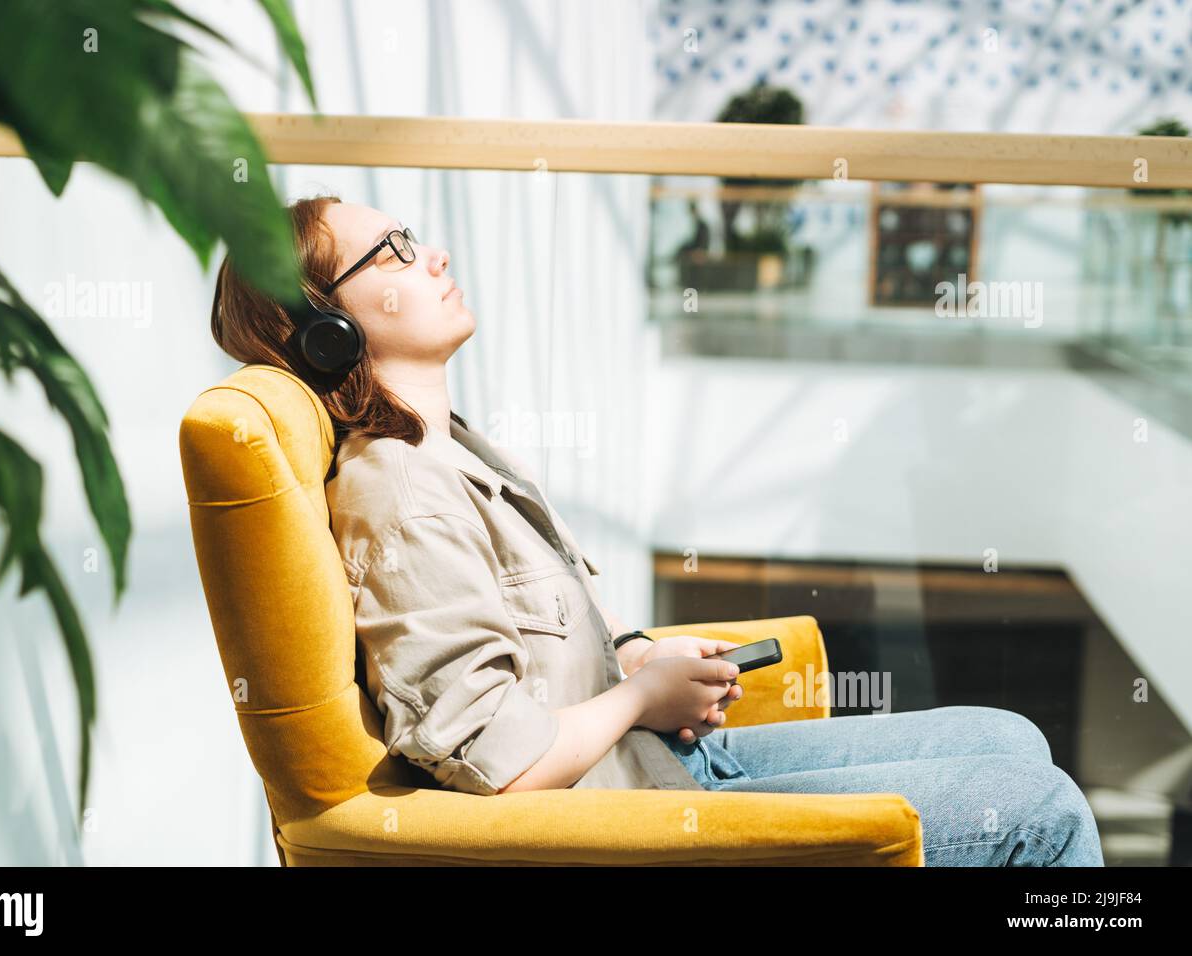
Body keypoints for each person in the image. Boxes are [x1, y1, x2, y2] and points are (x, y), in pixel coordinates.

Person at [208, 194, 1104, 867]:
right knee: (1035, 809)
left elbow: (530, 649)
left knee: (1012, 737)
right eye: (393, 252)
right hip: (627, 818)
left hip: (664, 767)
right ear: (327, 326)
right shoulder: (399, 492)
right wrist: (641, 698)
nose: (431, 253)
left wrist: (633, 658)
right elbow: (498, 762)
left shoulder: (454, 452)